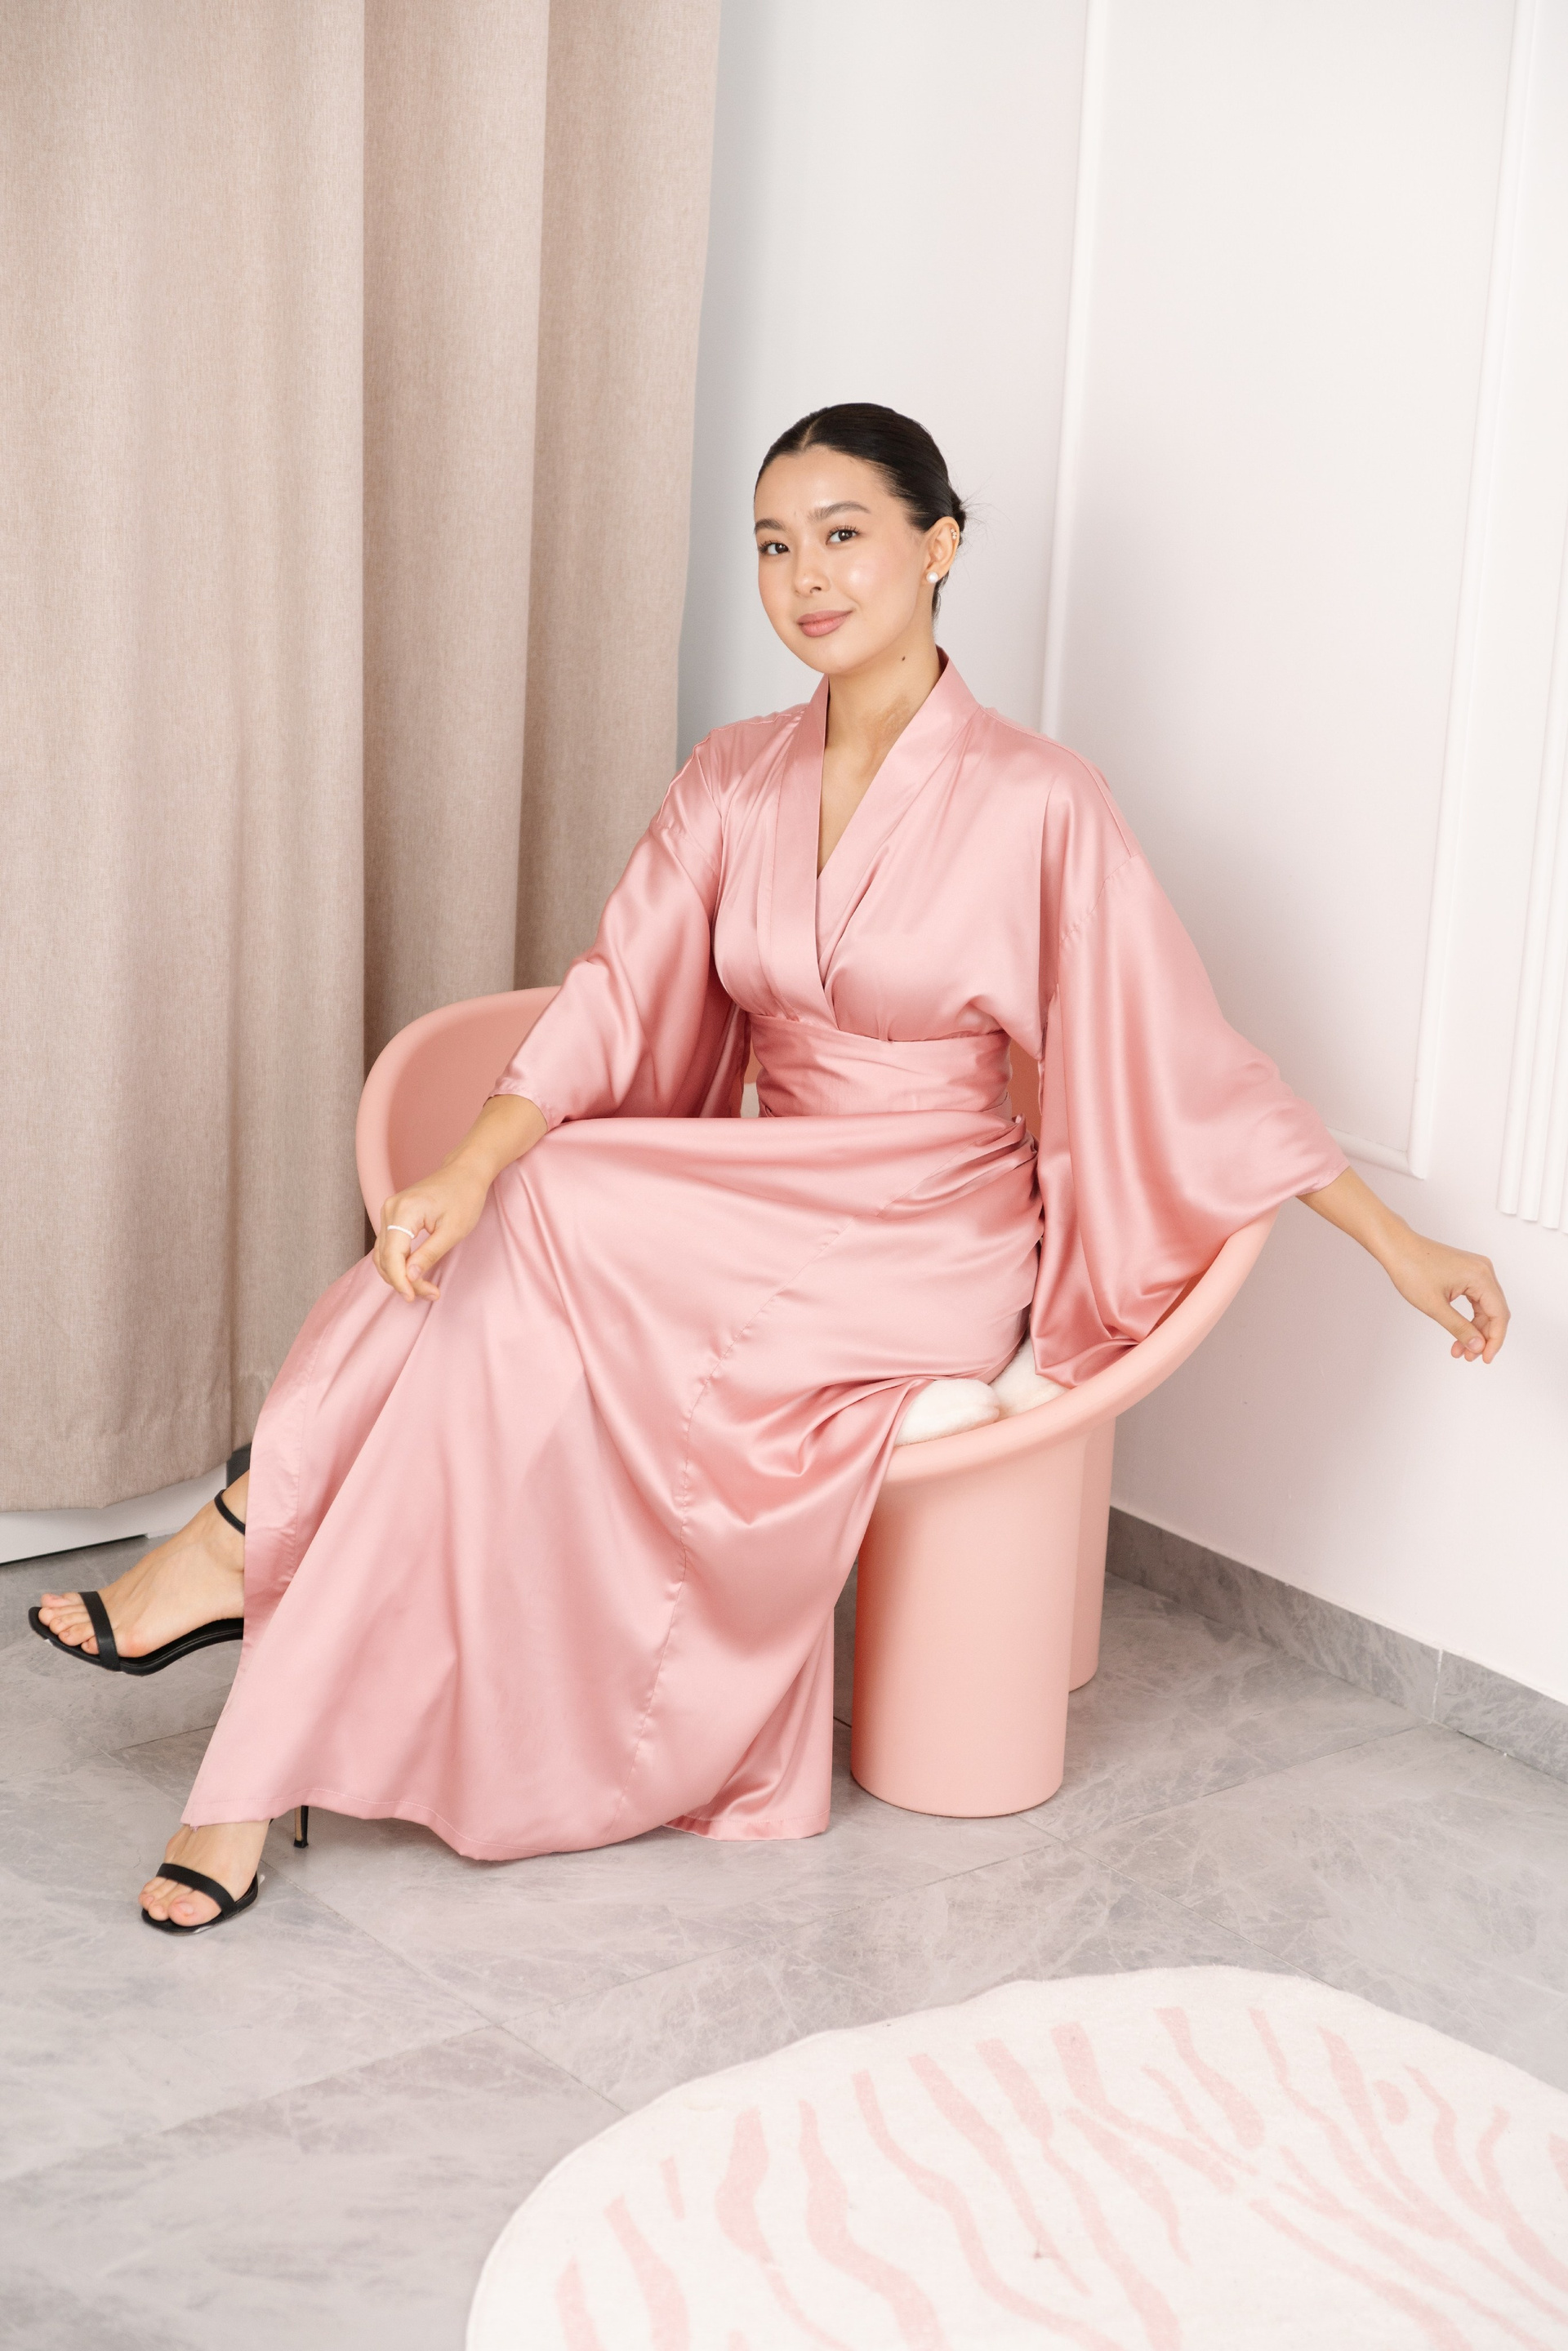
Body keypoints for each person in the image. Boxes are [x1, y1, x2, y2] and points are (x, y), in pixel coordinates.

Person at [33, 403, 1509, 1934]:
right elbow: (617, 992)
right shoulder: (735, 775)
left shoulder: (1040, 798)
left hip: (932, 1227)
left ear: (939, 547)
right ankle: (248, 1739)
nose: (806, 575)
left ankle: (241, 1551)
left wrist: (1397, 1243)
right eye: (773, 544)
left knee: (545, 1203)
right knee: (494, 1285)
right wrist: (468, 1159)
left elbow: (1181, 1052)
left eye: (845, 534)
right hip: (768, 1192)